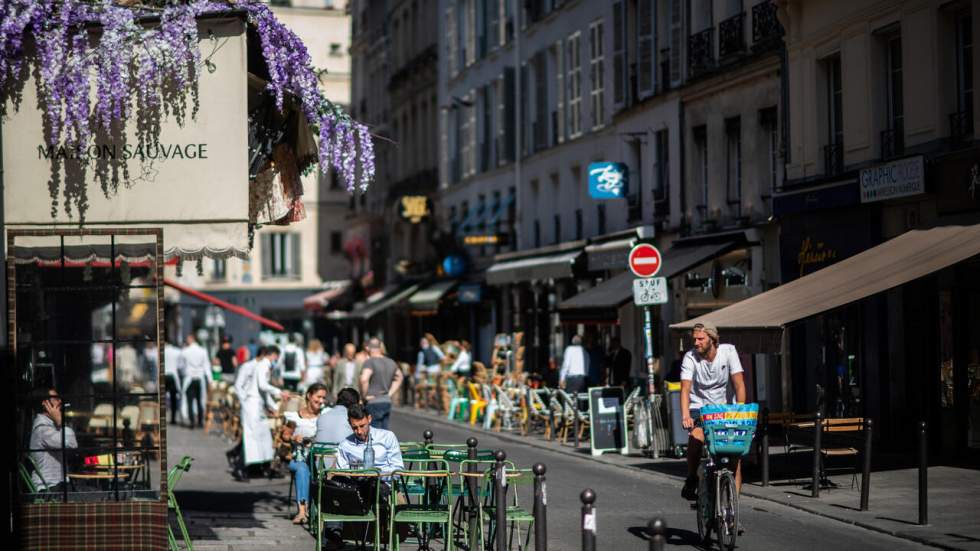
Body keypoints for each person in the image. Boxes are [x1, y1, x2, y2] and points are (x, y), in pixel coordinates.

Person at [680, 322, 747, 502]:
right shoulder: (690, 357)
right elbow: (685, 389)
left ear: (713, 339)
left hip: (726, 409)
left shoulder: (728, 352)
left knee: (735, 460)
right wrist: (686, 415)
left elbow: (739, 384)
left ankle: (733, 510)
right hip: (699, 407)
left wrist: (740, 410)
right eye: (694, 339)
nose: (696, 342)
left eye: (701, 339)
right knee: (696, 439)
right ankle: (692, 476)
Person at [233, 345, 287, 480]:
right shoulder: (263, 365)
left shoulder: (263, 365)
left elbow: (262, 391)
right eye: (276, 357)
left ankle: (266, 467)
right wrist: (279, 392)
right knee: (251, 438)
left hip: (257, 405)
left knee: (263, 438)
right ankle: (240, 468)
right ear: (272, 355)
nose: (277, 360)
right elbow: (262, 386)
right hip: (252, 405)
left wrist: (272, 405)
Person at [284, 383, 327, 524]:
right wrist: (293, 438)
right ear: (309, 395)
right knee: (302, 469)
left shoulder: (324, 416)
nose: (321, 401)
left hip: (317, 458)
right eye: (318, 396)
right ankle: (302, 511)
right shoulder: (295, 416)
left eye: (323, 398)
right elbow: (285, 435)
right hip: (299, 457)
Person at [28, 388, 78, 492]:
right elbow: (71, 443)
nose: (60, 401)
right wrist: (61, 422)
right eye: (55, 398)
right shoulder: (43, 429)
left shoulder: (50, 425)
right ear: (45, 403)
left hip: (56, 485)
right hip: (48, 487)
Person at [336, 403, 404, 475]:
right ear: (349, 424)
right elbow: (341, 472)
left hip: (382, 482)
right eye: (354, 428)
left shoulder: (387, 437)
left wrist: (377, 476)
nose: (359, 431)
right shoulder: (345, 445)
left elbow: (398, 469)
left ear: (369, 419)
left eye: (362, 426)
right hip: (356, 484)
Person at [359, 338, 403, 429]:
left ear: (367, 348)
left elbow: (364, 379)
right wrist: (389, 393)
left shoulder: (369, 362)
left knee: (374, 434)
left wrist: (364, 396)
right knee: (384, 433)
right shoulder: (391, 362)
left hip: (373, 401)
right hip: (386, 401)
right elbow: (400, 377)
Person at [179, 334, 210, 428]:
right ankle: (200, 421)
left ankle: (192, 420)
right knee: (200, 400)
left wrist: (185, 372)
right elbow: (206, 366)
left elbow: (181, 366)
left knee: (189, 400)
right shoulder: (203, 351)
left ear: (190, 339)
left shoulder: (185, 351)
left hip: (189, 378)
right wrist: (210, 379)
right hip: (200, 378)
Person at [164, 341, 182, 423]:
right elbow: (180, 366)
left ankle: (162, 417)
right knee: (173, 399)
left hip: (164, 375)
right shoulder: (177, 351)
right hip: (173, 375)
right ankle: (173, 419)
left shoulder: (162, 350)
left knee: (162, 398)